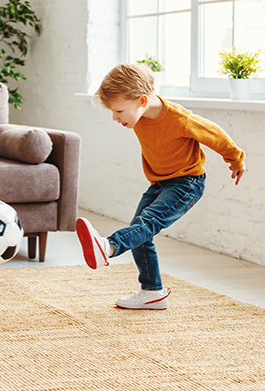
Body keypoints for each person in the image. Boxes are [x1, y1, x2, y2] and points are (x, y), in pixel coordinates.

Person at [77, 63, 246, 310]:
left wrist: (236, 159)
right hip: (159, 183)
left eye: (119, 111)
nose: (115, 118)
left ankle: (109, 246)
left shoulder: (179, 118)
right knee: (141, 233)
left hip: (187, 183)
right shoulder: (139, 115)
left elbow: (215, 134)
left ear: (142, 100)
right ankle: (152, 292)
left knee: (147, 223)